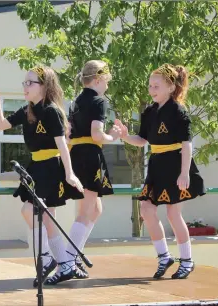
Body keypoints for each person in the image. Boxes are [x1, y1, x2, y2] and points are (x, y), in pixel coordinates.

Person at [0, 66, 85, 287]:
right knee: (47, 217)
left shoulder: (51, 111)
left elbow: (62, 145)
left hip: (51, 166)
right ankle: (65, 265)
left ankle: (48, 260)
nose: (25, 86)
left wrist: (70, 174)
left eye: (30, 83)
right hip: (36, 166)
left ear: (44, 86)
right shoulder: (27, 111)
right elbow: (0, 124)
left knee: (30, 211)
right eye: (24, 82)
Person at [116, 63, 205, 279]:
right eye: (150, 86)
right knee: (146, 210)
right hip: (156, 165)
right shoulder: (149, 112)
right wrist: (126, 136)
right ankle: (164, 256)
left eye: (156, 86)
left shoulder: (178, 111)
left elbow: (186, 144)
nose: (152, 89)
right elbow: (143, 139)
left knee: (173, 214)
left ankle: (187, 260)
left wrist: (184, 173)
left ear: (171, 87)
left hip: (175, 165)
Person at [64, 60, 122, 281]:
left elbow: (69, 132)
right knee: (86, 210)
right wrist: (113, 136)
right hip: (90, 155)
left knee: (95, 208)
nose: (108, 84)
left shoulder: (76, 101)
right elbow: (97, 134)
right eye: (106, 80)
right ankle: (68, 258)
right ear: (98, 79)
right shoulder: (99, 101)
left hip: (77, 154)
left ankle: (74, 253)